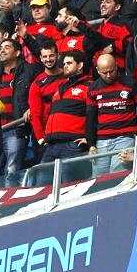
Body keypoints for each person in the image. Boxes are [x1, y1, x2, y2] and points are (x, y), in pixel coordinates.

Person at [87, 54, 137, 176]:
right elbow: (90, 118)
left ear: (116, 66)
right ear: (98, 71)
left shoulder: (131, 84)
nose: (109, 75)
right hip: (101, 141)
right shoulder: (93, 88)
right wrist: (91, 145)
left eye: (111, 71)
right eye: (104, 73)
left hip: (125, 137)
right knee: (98, 180)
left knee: (118, 177)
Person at [39, 51, 91, 184]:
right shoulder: (59, 88)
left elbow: (95, 114)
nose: (65, 66)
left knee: (70, 187)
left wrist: (89, 138)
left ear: (80, 66)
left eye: (69, 63)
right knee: (41, 187)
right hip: (51, 145)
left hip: (73, 145)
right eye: (64, 64)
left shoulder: (89, 86)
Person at [0, 39, 35, 186]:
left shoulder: (29, 70)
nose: (1, 50)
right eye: (0, 48)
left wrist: (32, 107)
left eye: (7, 48)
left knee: (12, 169)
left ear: (17, 53)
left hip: (16, 128)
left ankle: (10, 200)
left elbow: (38, 92)